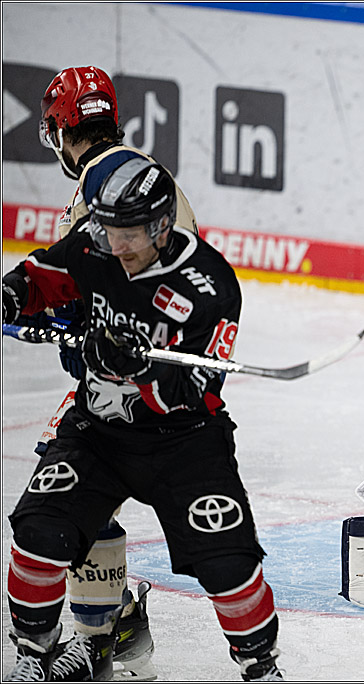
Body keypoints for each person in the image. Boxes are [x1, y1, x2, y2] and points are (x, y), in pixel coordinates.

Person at [2, 159, 283, 682]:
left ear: (161, 225)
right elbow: (45, 276)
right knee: (38, 533)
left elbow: (197, 391)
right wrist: (14, 294)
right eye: (110, 229)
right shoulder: (95, 245)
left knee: (228, 564)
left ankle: (261, 667)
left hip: (185, 441)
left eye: (130, 232)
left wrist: (138, 369)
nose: (118, 244)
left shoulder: (210, 286)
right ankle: (33, 657)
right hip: (98, 433)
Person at [17, 64, 201, 682]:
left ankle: (105, 637)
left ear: (61, 128)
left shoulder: (101, 184)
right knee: (80, 493)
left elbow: (90, 284)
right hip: (157, 376)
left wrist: (51, 314)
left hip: (131, 383)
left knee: (70, 494)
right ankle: (120, 631)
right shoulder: (143, 172)